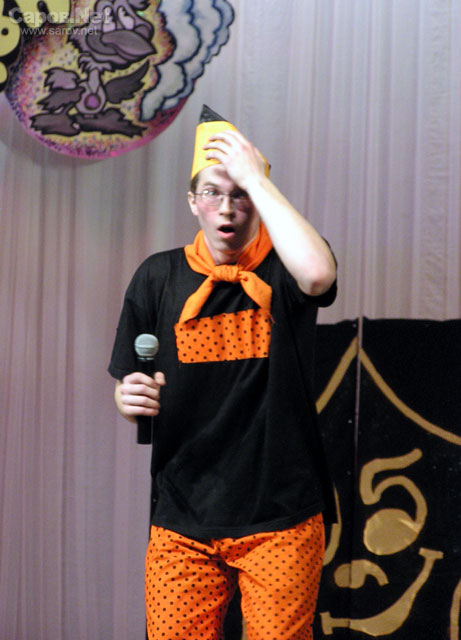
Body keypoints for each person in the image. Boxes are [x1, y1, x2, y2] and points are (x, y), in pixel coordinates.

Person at [108, 105, 337, 640]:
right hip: (182, 515)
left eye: (241, 195)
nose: (227, 208)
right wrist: (127, 399)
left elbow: (318, 275)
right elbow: (129, 382)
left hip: (280, 515)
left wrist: (257, 178)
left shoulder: (284, 268)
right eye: (212, 193)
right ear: (193, 202)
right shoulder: (158, 276)